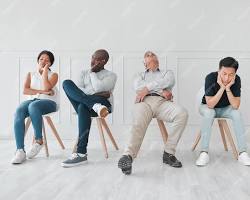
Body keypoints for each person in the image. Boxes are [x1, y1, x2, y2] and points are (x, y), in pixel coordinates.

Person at [118, 51, 188, 175]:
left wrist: (148, 89)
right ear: (144, 64)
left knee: (182, 113)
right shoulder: (139, 75)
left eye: (155, 60)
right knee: (138, 123)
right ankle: (128, 157)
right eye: (149, 62)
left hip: (162, 102)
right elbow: (138, 87)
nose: (153, 63)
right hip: (144, 102)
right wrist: (162, 90)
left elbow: (168, 81)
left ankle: (169, 153)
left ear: (158, 62)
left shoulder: (167, 72)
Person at [61, 49, 117, 167]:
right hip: (96, 105)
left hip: (104, 104)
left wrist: (92, 73)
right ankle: (94, 106)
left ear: (104, 61)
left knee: (82, 106)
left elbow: (98, 87)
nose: (93, 61)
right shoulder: (82, 73)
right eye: (92, 57)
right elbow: (78, 90)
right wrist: (94, 96)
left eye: (97, 59)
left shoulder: (111, 75)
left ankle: (81, 154)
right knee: (66, 83)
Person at [196, 57, 250, 166]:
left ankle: (243, 153)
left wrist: (228, 88)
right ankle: (204, 153)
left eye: (231, 75)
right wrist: (221, 87)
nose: (226, 78)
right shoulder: (210, 77)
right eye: (224, 73)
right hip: (207, 107)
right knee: (210, 112)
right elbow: (210, 104)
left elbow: (235, 105)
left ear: (235, 73)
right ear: (219, 70)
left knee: (237, 114)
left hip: (225, 109)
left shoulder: (237, 80)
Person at [12, 50, 59, 164]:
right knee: (19, 110)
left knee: (33, 106)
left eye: (47, 60)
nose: (43, 61)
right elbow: (25, 90)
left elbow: (48, 88)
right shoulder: (31, 74)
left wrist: (44, 72)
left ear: (51, 63)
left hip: (50, 102)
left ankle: (39, 140)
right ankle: (20, 150)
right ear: (38, 60)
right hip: (32, 100)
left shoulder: (53, 75)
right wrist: (40, 91)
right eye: (42, 58)